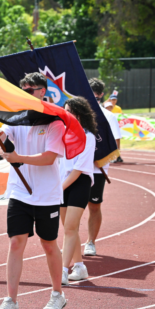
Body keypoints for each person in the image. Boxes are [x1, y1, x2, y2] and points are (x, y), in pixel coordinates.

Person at [0, 72, 67, 309]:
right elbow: (1, 140)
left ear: (43, 91)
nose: (25, 92)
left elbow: (49, 158)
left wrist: (19, 158)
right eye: (22, 88)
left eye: (30, 89)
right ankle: (11, 300)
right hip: (20, 192)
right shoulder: (15, 119)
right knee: (15, 242)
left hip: (46, 195)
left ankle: (57, 294)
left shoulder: (54, 122)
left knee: (48, 244)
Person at [59, 97, 98, 285]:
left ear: (79, 114)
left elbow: (77, 170)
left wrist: (60, 188)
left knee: (70, 228)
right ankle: (80, 267)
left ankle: (63, 271)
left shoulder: (88, 137)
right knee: (69, 228)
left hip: (78, 182)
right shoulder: (62, 133)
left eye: (69, 111)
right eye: (64, 110)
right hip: (62, 183)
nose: (65, 114)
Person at [86, 78, 122, 256]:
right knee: (71, 207)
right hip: (75, 169)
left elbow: (116, 148)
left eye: (94, 93)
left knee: (94, 206)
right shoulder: (76, 115)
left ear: (100, 95)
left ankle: (91, 242)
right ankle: (71, 240)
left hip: (97, 169)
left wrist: (99, 159)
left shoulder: (109, 117)